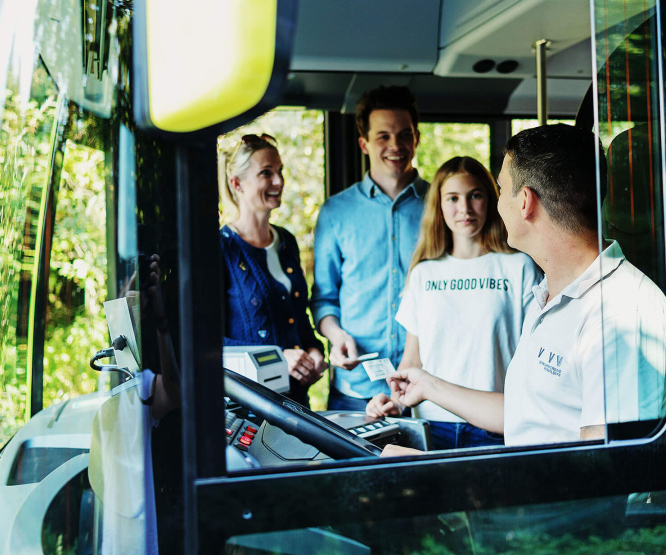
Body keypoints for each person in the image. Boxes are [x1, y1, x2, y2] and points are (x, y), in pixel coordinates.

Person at [382, 124, 666, 452]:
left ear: (525, 202)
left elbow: (606, 472)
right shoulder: (549, 296)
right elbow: (524, 414)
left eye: (501, 190)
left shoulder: (622, 312)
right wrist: (427, 385)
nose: (496, 203)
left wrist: (440, 477)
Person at [364, 157, 541, 450]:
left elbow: (533, 360)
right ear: (439, 206)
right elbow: (412, 360)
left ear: (490, 200)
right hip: (431, 426)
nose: (465, 208)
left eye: (475, 195)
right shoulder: (423, 273)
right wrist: (394, 401)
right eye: (453, 198)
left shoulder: (519, 268)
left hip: (496, 425)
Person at [311, 85, 429, 410]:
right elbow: (323, 299)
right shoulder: (335, 212)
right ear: (364, 143)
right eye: (383, 136)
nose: (396, 145)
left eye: (405, 135)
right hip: (354, 391)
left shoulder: (441, 206)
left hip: (427, 387)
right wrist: (337, 338)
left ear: (416, 138)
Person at [220, 133, 326, 406]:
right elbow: (209, 344)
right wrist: (278, 358)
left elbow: (300, 322)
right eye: (266, 173)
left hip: (297, 407)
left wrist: (314, 351)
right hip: (249, 411)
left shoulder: (287, 242)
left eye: (280, 171)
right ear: (237, 184)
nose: (279, 181)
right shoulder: (220, 248)